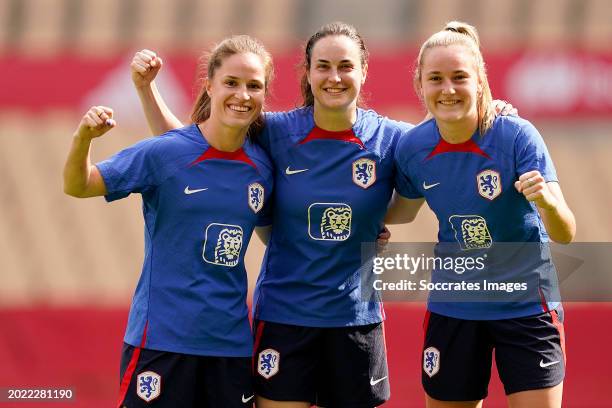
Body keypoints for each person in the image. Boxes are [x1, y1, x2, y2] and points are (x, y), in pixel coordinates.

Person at [130, 22, 515, 408]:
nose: (335, 77)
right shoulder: (274, 132)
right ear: (309, 73)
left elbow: (453, 129)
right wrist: (147, 91)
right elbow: (189, 151)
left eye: (345, 66)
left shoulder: (393, 139)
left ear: (364, 72)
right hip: (284, 319)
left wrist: (492, 110)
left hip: (356, 320)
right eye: (324, 66)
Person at [64, 35, 275, 408]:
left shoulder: (262, 167)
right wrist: (84, 137)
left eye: (253, 86)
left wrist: (370, 229)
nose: (242, 94)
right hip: (161, 342)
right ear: (209, 85)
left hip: (231, 347)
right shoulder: (166, 152)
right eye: (231, 82)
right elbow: (78, 185)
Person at [391, 21, 576, 408]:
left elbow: (565, 232)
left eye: (459, 77)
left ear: (479, 81)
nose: (448, 89)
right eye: (436, 78)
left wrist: (547, 202)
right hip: (454, 306)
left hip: (527, 306)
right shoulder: (412, 147)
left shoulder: (517, 135)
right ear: (420, 85)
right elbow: (403, 212)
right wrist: (364, 221)